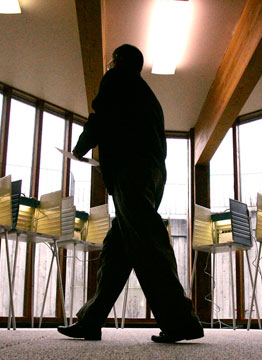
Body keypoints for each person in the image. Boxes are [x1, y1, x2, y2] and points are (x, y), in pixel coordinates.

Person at [57, 44, 204, 343]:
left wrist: (79, 148)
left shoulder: (115, 79)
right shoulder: (148, 96)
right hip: (151, 174)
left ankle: (181, 321)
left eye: (111, 61)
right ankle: (90, 321)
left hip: (130, 172)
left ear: (117, 61)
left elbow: (101, 117)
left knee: (149, 243)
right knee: (117, 250)